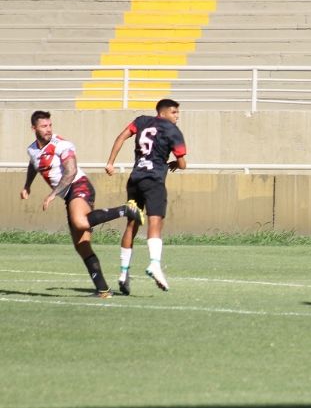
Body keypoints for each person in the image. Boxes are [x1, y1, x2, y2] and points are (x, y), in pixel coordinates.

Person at [21, 110, 144, 298]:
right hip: (68, 195)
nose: (48, 129)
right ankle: (103, 290)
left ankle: (126, 209)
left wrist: (53, 194)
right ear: (34, 128)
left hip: (79, 186)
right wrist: (27, 186)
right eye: (43, 126)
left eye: (50, 125)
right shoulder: (32, 149)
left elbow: (70, 171)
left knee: (80, 222)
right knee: (81, 245)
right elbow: (34, 163)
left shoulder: (62, 145)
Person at [104, 98, 187, 294]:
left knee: (132, 224)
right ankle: (154, 264)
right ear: (163, 113)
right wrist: (175, 164)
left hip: (135, 179)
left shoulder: (141, 121)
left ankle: (123, 273)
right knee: (155, 222)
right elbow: (182, 163)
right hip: (153, 180)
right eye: (174, 112)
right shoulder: (172, 130)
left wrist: (110, 162)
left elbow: (121, 137)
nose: (177, 116)